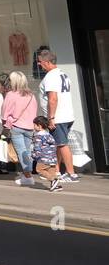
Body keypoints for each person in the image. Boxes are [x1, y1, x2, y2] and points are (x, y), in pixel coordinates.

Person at [35, 48, 79, 183]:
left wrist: (51, 118)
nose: (39, 65)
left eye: (40, 62)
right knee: (58, 144)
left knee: (62, 144)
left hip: (58, 117)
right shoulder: (62, 74)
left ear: (47, 62)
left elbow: (53, 98)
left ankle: (71, 174)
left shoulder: (51, 77)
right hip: (66, 114)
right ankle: (57, 171)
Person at [3, 70, 39, 187]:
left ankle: (28, 176)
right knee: (27, 151)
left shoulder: (11, 95)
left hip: (17, 126)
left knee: (21, 152)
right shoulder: (31, 95)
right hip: (30, 127)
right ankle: (26, 175)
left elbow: (4, 113)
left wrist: (6, 124)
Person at [30, 116, 63, 192]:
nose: (34, 127)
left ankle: (53, 180)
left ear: (39, 126)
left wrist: (34, 156)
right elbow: (54, 145)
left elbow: (37, 147)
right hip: (52, 157)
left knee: (39, 169)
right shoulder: (48, 135)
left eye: (34, 125)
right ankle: (55, 185)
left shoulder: (38, 136)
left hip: (43, 157)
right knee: (51, 171)